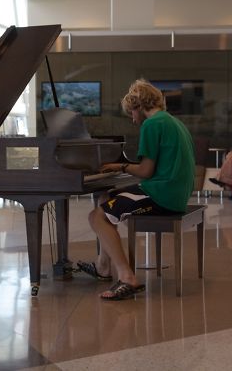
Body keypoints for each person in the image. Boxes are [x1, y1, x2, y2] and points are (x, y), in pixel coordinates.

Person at [76, 79, 195, 300]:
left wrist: (119, 166)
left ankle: (127, 276)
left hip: (162, 195)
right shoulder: (173, 122)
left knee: (96, 217)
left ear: (138, 106)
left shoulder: (152, 124)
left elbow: (145, 171)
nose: (133, 119)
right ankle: (103, 265)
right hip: (176, 192)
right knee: (105, 197)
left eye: (131, 112)